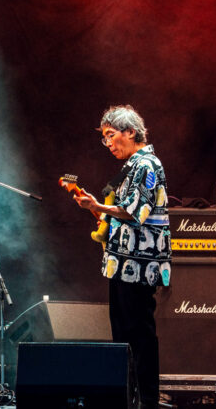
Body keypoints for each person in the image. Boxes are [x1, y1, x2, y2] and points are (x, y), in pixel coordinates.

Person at [73, 105, 171, 409]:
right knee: (124, 335)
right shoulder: (131, 166)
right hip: (122, 263)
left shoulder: (147, 164)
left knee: (139, 334)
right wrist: (98, 209)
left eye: (111, 135)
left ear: (130, 132)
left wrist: (97, 206)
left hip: (139, 265)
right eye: (104, 138)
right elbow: (121, 215)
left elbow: (134, 212)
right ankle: (130, 399)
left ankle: (147, 401)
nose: (108, 143)